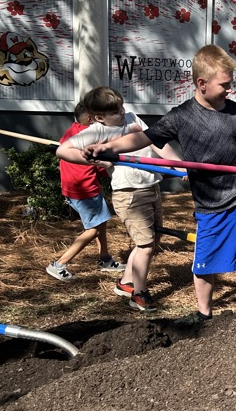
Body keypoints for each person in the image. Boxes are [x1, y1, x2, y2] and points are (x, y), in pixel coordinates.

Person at [84, 44, 236, 326]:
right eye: (224, 85)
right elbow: (143, 138)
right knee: (205, 265)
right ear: (202, 83)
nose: (229, 90)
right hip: (212, 204)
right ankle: (203, 316)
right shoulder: (181, 117)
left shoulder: (234, 110)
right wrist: (107, 147)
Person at [56, 87, 163, 312]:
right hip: (130, 193)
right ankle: (139, 294)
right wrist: (96, 161)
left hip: (151, 185)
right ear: (98, 117)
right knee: (145, 245)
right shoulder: (96, 132)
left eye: (121, 107)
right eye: (115, 111)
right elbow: (63, 150)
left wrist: (177, 164)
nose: (122, 112)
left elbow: (155, 141)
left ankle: (126, 283)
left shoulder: (132, 118)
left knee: (152, 242)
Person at [46, 101, 122, 281]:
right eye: (98, 116)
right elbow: (99, 165)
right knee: (94, 230)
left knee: (101, 224)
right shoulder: (90, 136)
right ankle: (59, 264)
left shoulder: (72, 132)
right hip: (85, 190)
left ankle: (105, 259)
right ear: (90, 118)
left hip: (72, 188)